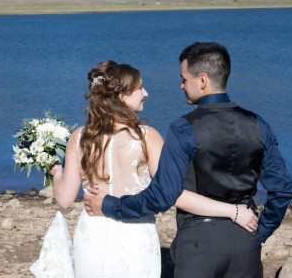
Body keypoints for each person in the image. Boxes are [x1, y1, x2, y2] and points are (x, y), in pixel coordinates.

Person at [84, 42, 292, 277]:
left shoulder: (183, 128)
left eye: (184, 79)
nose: (181, 85)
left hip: (198, 245)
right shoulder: (259, 124)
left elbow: (163, 195)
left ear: (202, 81)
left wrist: (112, 205)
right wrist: (259, 232)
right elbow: (283, 189)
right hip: (245, 241)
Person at [49, 60, 258, 278]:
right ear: (122, 97)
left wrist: (56, 172)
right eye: (139, 88)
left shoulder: (80, 137)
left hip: (92, 236)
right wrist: (232, 211)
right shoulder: (147, 137)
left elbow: (64, 199)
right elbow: (174, 194)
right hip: (135, 237)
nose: (146, 93)